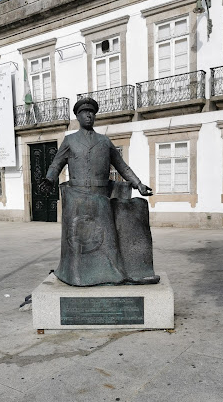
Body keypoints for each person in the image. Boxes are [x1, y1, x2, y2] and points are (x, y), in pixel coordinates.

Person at [40, 97, 160, 286]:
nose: (89, 115)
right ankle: (76, 274)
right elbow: (57, 163)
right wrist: (49, 178)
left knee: (106, 238)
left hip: (101, 196)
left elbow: (122, 166)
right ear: (77, 116)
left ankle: (112, 272)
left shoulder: (104, 141)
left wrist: (138, 184)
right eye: (84, 113)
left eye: (92, 113)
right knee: (79, 241)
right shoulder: (70, 141)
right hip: (77, 197)